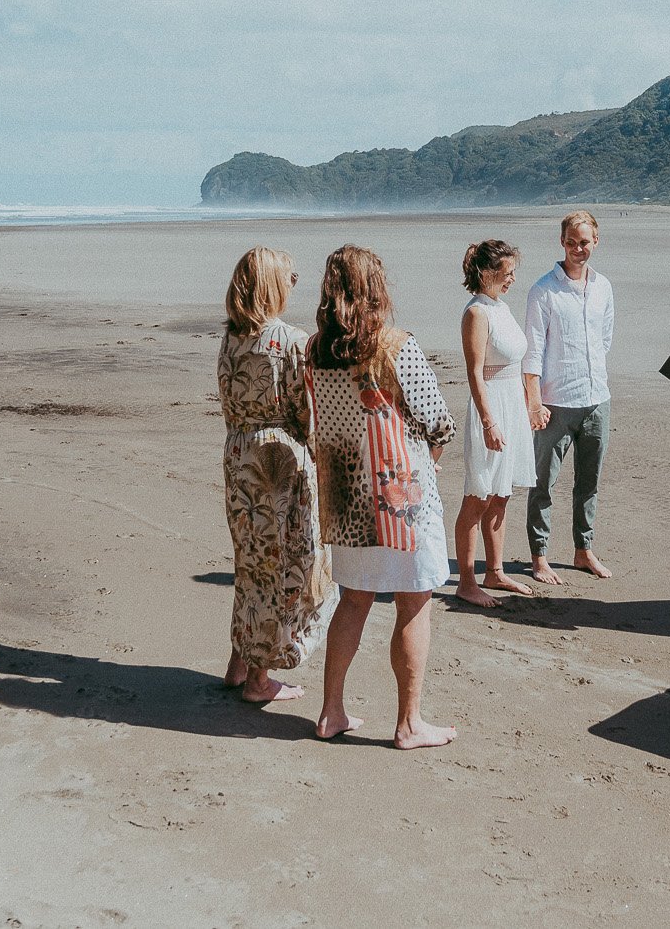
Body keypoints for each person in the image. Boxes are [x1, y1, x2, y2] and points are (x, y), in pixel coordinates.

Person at [306, 245, 459, 749]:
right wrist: (432, 453)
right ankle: (409, 723)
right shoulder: (394, 344)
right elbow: (437, 418)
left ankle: (331, 711)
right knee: (415, 601)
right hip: (398, 497)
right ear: (376, 288)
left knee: (352, 600)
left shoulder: (315, 349)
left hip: (346, 496)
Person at [216, 247, 334, 702]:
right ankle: (259, 680)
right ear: (270, 284)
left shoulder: (231, 338)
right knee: (283, 565)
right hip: (279, 463)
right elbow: (305, 413)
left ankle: (239, 661)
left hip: (239, 453)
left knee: (249, 560)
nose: (295, 283)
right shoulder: (289, 340)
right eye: (290, 276)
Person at [522, 209, 616, 584]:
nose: (579, 249)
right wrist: (533, 401)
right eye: (572, 242)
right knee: (544, 482)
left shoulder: (604, 287)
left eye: (586, 242)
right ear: (562, 242)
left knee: (588, 482)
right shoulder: (543, 290)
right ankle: (539, 555)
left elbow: (604, 339)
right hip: (555, 402)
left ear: (596, 241)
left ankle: (583, 550)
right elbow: (532, 351)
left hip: (596, 399)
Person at [453, 239, 536, 607]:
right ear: (486, 273)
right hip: (491, 408)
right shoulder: (476, 313)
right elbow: (474, 374)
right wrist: (489, 422)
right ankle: (467, 582)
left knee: (502, 494)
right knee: (478, 496)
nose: (512, 280)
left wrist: (531, 405)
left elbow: (515, 363)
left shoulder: (500, 307)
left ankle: (496, 571)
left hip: (512, 406)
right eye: (507, 273)